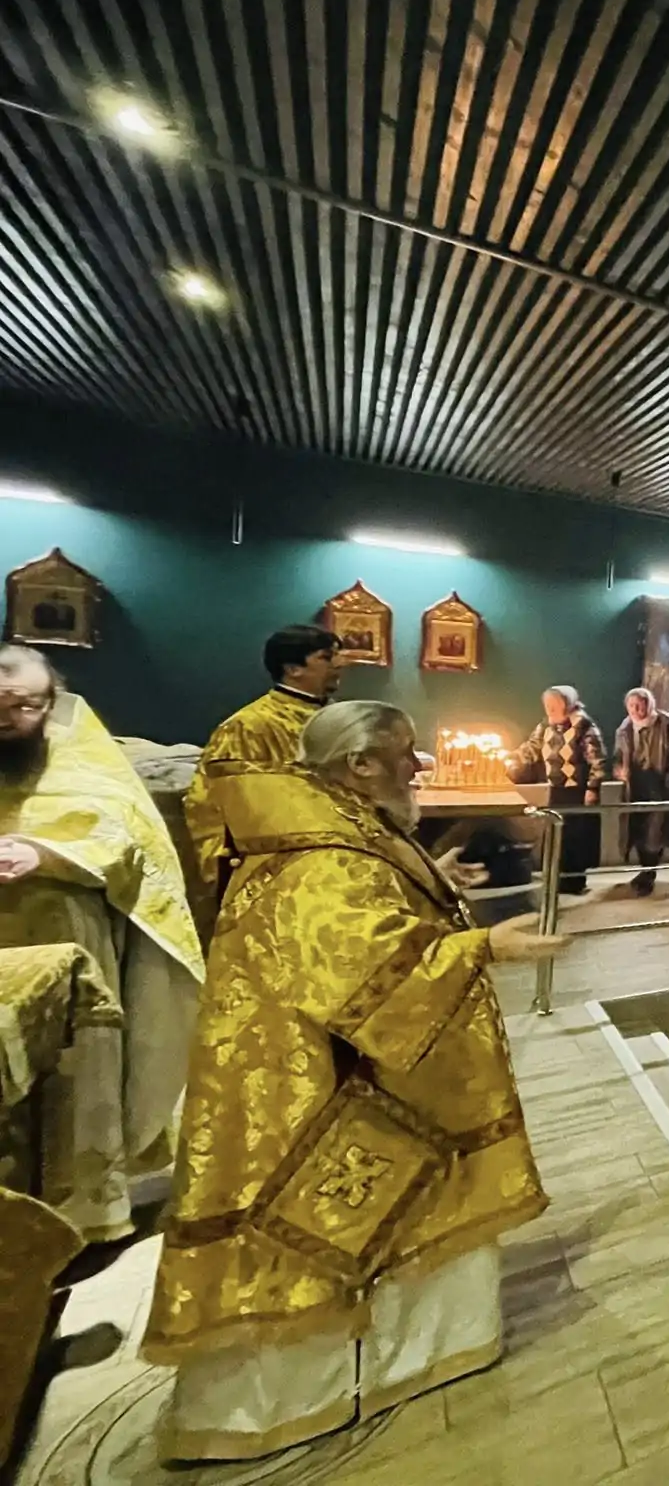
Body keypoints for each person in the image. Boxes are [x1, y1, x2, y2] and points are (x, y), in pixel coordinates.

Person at [142, 700, 567, 1461]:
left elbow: (368, 907)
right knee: (322, 1227)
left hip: (328, 1065)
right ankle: (303, 1393)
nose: (418, 765)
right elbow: (361, 970)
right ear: (360, 764)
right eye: (404, 752)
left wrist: (432, 878)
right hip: (326, 1082)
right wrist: (484, 947)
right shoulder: (320, 850)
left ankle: (396, 1360)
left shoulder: (326, 819)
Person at [0, 645, 204, 1243]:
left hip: (68, 940)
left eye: (24, 705)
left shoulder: (82, 755)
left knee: (70, 1077)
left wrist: (45, 852)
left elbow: (123, 835)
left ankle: (78, 1215)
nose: (9, 718)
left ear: (51, 701)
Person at [185, 623, 344, 921]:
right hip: (282, 862)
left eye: (337, 655)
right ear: (293, 669)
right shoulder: (249, 726)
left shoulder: (340, 719)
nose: (340, 664)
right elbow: (217, 805)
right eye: (326, 657)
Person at [509, 686, 605, 894]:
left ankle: (574, 882)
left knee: (575, 837)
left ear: (568, 705)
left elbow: (597, 760)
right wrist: (510, 759)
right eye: (547, 705)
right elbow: (531, 747)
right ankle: (556, 880)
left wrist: (593, 788)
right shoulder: (546, 725)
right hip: (557, 788)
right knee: (557, 834)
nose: (549, 709)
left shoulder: (584, 726)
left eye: (555, 705)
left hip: (578, 791)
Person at [612, 686, 669, 895]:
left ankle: (648, 873)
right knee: (637, 831)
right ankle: (645, 870)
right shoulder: (624, 729)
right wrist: (620, 771)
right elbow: (617, 757)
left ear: (649, 704)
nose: (635, 710)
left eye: (639, 705)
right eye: (631, 705)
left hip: (659, 786)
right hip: (635, 787)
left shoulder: (667, 724)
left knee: (655, 832)